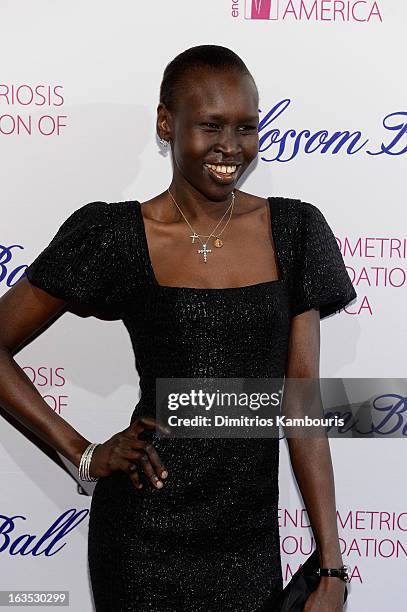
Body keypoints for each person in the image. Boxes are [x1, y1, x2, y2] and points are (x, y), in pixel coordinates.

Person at [0, 45, 356, 611]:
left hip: (248, 544)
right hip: (141, 540)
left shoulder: (295, 230)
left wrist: (332, 566)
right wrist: (83, 453)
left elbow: (301, 399)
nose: (231, 147)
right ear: (166, 124)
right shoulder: (115, 235)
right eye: (210, 125)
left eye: (245, 127)